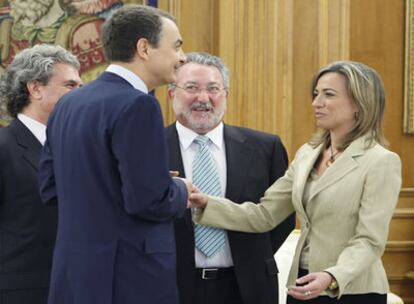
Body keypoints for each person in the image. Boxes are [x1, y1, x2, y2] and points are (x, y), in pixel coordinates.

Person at [189, 61, 402, 304]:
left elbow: (370, 241)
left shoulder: (381, 162)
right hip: (302, 285)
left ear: (359, 104)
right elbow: (264, 215)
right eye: (316, 94)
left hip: (352, 291)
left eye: (328, 95)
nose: (316, 103)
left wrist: (331, 276)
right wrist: (205, 203)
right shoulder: (307, 154)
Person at [38, 5, 190, 304]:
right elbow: (148, 201)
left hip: (75, 278)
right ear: (144, 48)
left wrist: (144, 181)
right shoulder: (140, 105)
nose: (182, 57)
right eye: (176, 46)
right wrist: (179, 190)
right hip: (128, 281)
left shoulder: (69, 104)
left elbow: (50, 188)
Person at [166, 51, 295, 304]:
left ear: (226, 94)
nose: (203, 98)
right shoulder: (148, 148)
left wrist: (251, 256)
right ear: (171, 93)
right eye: (191, 87)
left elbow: (283, 219)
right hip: (171, 287)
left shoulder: (265, 148)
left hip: (247, 287)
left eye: (213, 88)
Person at [0, 44, 82, 304]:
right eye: (70, 86)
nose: (80, 95)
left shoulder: (79, 148)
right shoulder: (3, 148)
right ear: (35, 89)